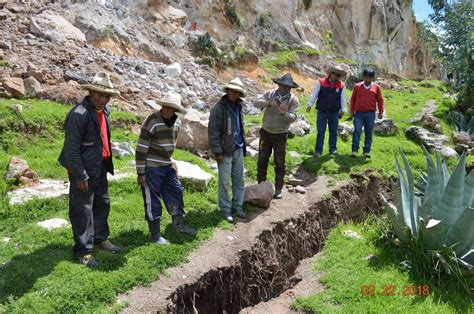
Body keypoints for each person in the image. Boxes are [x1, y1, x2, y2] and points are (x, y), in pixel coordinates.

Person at [58, 72, 121, 267]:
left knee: (103, 202)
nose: (103, 99)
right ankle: (83, 250)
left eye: (106, 96)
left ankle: (100, 238)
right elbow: (71, 149)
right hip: (83, 169)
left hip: (99, 166)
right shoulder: (79, 115)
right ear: (91, 93)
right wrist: (79, 174)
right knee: (82, 209)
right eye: (100, 95)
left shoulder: (104, 112)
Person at [135, 91, 196, 245]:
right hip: (151, 167)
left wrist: (172, 161)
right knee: (152, 201)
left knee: (176, 192)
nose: (167, 110)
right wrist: (141, 172)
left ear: (176, 110)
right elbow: (141, 148)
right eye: (165, 107)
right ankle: (155, 235)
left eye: (171, 108)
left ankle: (178, 225)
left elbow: (170, 145)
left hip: (166, 165)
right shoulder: (152, 121)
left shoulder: (177, 122)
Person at [254, 73, 299, 199]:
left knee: (279, 162)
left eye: (288, 87)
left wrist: (284, 113)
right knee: (262, 159)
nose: (285, 88)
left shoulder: (293, 100)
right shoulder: (270, 93)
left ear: (291, 88)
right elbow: (256, 103)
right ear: (278, 84)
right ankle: (260, 184)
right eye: (283, 85)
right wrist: (269, 103)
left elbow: (293, 118)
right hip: (265, 132)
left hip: (280, 134)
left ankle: (278, 188)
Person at [208, 78, 247, 222]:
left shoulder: (239, 107)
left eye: (236, 92)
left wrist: (244, 145)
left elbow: (240, 127)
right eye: (231, 91)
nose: (233, 94)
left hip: (238, 148)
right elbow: (213, 132)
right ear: (227, 91)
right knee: (224, 182)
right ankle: (225, 209)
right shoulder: (218, 108)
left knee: (239, 180)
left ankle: (238, 206)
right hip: (224, 151)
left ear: (239, 94)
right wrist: (217, 151)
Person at [306, 65, 347, 157]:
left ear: (339, 76)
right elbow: (315, 94)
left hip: (334, 112)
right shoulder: (321, 82)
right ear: (330, 73)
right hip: (322, 111)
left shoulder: (342, 85)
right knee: (321, 132)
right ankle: (318, 151)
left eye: (337, 75)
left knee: (333, 131)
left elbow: (343, 99)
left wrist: (343, 110)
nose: (335, 76)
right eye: (333, 73)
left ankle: (333, 150)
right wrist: (310, 104)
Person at [350, 69, 384, 158]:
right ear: (363, 77)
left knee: (369, 133)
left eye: (369, 77)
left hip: (370, 114)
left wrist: (381, 112)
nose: (367, 79)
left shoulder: (376, 87)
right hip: (358, 113)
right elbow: (353, 99)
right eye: (366, 77)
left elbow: (380, 100)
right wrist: (352, 111)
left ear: (372, 78)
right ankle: (354, 150)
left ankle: (366, 151)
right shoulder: (357, 86)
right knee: (357, 131)